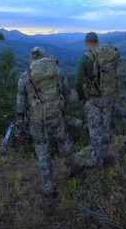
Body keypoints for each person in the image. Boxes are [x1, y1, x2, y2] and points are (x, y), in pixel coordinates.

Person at [16, 46, 81, 195]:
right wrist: (63, 109)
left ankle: (48, 186)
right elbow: (66, 91)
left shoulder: (25, 77)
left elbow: (20, 100)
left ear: (32, 59)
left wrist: (20, 119)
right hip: (55, 115)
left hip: (37, 120)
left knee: (42, 151)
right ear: (45, 56)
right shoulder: (57, 71)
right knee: (64, 142)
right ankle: (73, 168)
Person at [75, 32, 120, 168]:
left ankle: (97, 160)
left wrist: (82, 97)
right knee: (106, 127)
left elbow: (77, 82)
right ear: (98, 41)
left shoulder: (84, 58)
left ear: (86, 43)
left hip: (93, 100)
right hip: (107, 96)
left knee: (95, 130)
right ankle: (105, 154)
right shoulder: (108, 55)